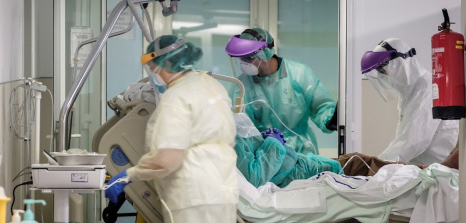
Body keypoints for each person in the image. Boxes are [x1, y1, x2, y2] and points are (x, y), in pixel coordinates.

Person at [105, 35, 239, 223]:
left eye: (152, 68)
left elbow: (167, 159)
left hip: (193, 197)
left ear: (167, 62)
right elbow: (230, 140)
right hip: (223, 192)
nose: (152, 74)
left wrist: (129, 175)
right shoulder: (213, 86)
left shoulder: (176, 97)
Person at [225, 28, 338, 156]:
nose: (244, 63)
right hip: (265, 154)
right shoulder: (241, 86)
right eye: (241, 58)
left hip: (302, 151)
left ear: (265, 53)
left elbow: (321, 106)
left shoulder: (299, 74)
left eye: (248, 58)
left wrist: (330, 120)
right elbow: (241, 126)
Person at [361, 38, 458, 165]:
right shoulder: (409, 92)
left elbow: (412, 142)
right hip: (423, 169)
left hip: (438, 173)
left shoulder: (425, 90)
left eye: (384, 70)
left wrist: (375, 166)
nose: (384, 76)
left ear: (399, 63)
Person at [235, 126, 341, 188]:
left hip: (298, 162)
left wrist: (260, 139)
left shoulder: (231, 133)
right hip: (293, 175)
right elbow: (254, 178)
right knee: (341, 170)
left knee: (337, 165)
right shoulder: (231, 141)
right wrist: (274, 143)